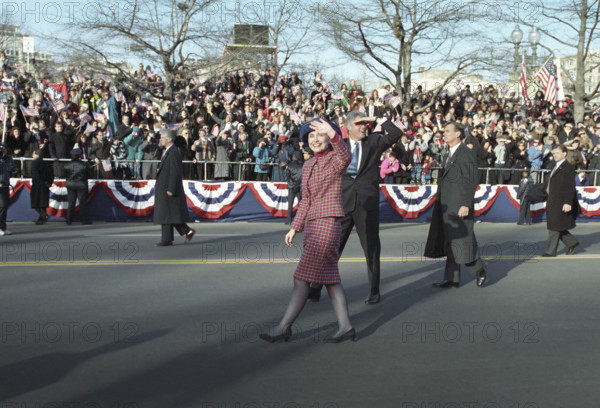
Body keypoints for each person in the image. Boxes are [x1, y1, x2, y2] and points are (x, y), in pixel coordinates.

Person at [259, 118, 355, 344]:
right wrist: (294, 227)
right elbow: (306, 200)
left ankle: (284, 327)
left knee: (301, 278)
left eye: (319, 135)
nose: (314, 139)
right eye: (310, 136)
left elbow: (346, 155)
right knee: (330, 279)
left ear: (327, 139)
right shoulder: (309, 165)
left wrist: (331, 132)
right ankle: (345, 326)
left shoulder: (335, 158)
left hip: (328, 223)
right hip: (313, 225)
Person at [308, 111, 403, 305]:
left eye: (365, 124)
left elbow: (395, 134)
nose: (364, 127)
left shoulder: (374, 142)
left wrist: (376, 120)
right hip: (341, 203)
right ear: (348, 126)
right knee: (332, 247)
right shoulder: (338, 145)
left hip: (367, 204)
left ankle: (374, 291)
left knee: (371, 248)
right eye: (359, 124)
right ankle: (316, 287)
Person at [424, 122, 487, 288]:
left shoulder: (466, 153)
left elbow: (471, 179)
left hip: (459, 204)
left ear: (458, 134)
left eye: (447, 131)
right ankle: (452, 277)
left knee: (462, 240)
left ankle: (479, 268)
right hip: (447, 203)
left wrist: (466, 204)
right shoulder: (448, 154)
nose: (443, 134)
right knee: (450, 241)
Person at [153, 129, 195, 246]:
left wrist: (171, 188)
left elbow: (175, 172)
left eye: (162, 137)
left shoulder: (174, 152)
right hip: (164, 187)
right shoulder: (167, 151)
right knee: (168, 213)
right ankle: (181, 233)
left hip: (169, 188)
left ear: (169, 139)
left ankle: (168, 238)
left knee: (168, 213)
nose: (160, 139)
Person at [542, 145, 580, 257]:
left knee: (554, 225)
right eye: (553, 153)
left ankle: (551, 251)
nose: (555, 155)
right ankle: (572, 242)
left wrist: (568, 202)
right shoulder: (555, 165)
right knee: (557, 224)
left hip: (561, 200)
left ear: (565, 153)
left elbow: (570, 187)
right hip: (553, 199)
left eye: (557, 153)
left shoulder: (568, 167)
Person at [64, 148, 91, 225]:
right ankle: (84, 220)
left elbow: (65, 175)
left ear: (72, 155)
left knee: (71, 203)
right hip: (81, 184)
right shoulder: (84, 165)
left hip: (70, 184)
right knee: (82, 202)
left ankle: (69, 219)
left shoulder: (67, 165)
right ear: (79, 155)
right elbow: (88, 175)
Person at [30, 149, 54, 225]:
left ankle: (44, 215)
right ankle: (41, 219)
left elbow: (35, 176)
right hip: (45, 185)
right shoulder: (47, 164)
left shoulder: (34, 163)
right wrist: (49, 183)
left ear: (37, 155)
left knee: (35, 203)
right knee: (42, 203)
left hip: (37, 185)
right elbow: (52, 174)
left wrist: (42, 183)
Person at [0, 143, 17, 236]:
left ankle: (3, 226)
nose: (3, 151)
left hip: (5, 185)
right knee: (2, 206)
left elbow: (13, 168)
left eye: (4, 149)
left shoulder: (8, 159)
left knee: (5, 206)